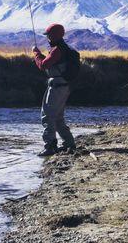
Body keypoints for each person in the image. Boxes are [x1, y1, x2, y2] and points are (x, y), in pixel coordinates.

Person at [32, 23, 76, 157]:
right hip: (63, 86)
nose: (48, 38)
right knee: (58, 118)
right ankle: (69, 144)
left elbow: (43, 65)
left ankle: (50, 146)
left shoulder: (57, 50)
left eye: (49, 36)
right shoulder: (65, 48)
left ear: (53, 36)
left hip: (57, 87)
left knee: (48, 116)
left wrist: (36, 53)